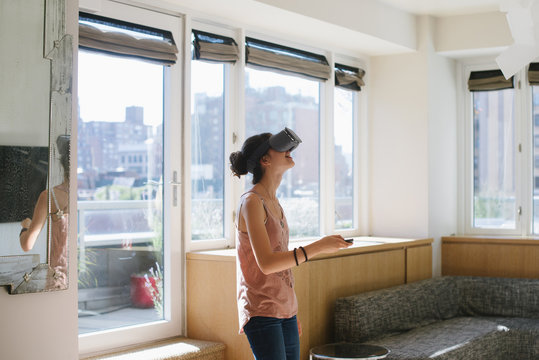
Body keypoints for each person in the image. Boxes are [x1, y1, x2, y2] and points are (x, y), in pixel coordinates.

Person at [229, 128, 352, 360]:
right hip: (261, 310)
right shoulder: (251, 202)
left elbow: (281, 263)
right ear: (265, 160)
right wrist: (319, 246)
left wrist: (291, 310)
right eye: (281, 148)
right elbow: (266, 263)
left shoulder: (274, 202)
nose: (289, 151)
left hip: (285, 309)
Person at [19, 135, 69, 289]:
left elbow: (27, 244)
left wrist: (25, 227)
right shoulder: (87, 195)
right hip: (83, 280)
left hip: (59, 281)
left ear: (61, 164)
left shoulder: (50, 196)